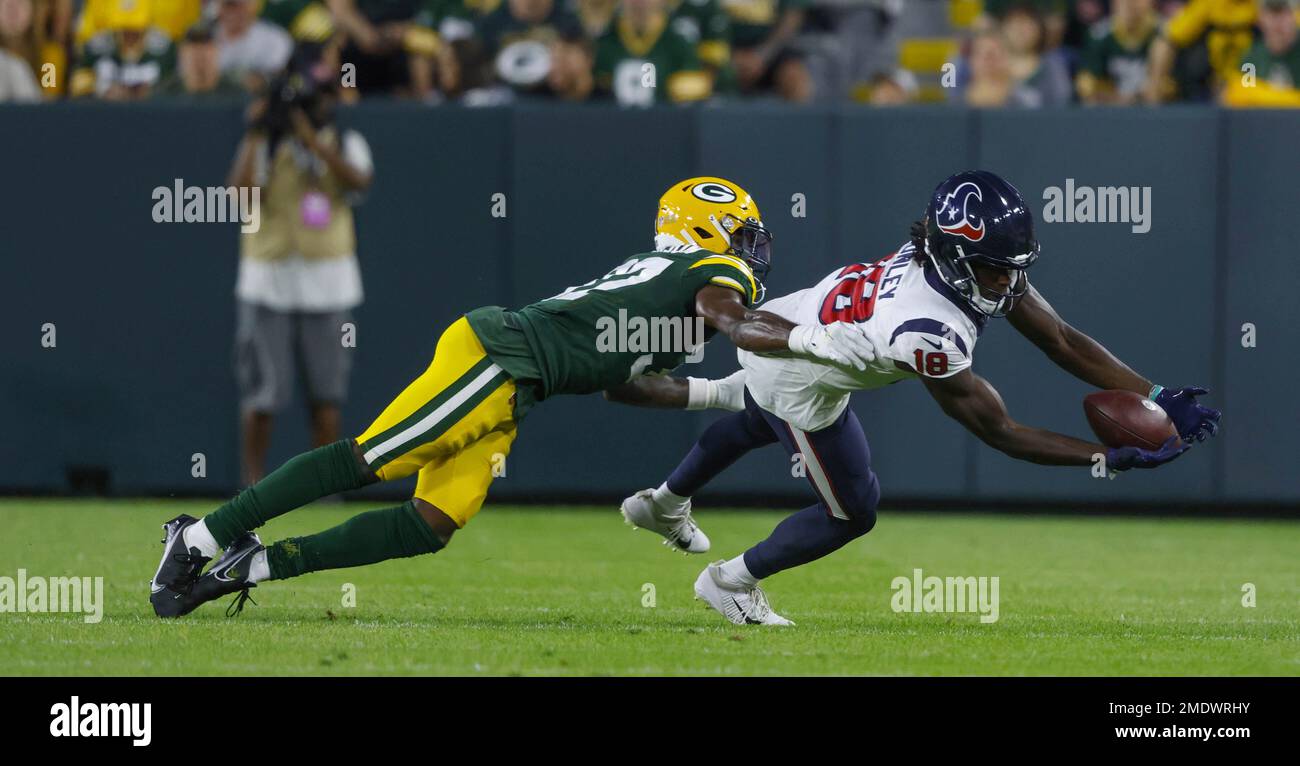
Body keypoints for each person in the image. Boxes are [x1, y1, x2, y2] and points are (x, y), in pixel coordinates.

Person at [148, 176, 878, 618]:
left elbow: (622, 384)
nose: (752, 250)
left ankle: (254, 565)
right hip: (500, 359)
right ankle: (204, 536)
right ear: (710, 230)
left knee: (432, 521)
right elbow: (735, 321)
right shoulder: (712, 274)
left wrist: (719, 396)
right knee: (371, 458)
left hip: (517, 381)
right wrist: (815, 340)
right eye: (741, 234)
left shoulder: (665, 280)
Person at [615, 171, 1221, 626]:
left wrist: (1156, 393)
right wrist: (1101, 457)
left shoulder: (959, 259)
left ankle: (666, 500)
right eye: (994, 270)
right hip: (798, 369)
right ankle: (730, 581)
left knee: (752, 417)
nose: (1006, 282)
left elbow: (1059, 338)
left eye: (1012, 268)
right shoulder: (928, 331)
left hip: (794, 317)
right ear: (957, 256)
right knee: (853, 510)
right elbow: (999, 431)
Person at [225, 41, 372, 487]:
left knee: (327, 396)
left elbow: (359, 182)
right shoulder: (264, 144)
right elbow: (238, 195)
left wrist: (315, 145)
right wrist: (257, 132)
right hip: (267, 280)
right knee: (263, 395)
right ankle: (252, 487)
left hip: (329, 283)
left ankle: (320, 487)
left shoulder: (346, 140)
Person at [1222, 0, 1300, 107]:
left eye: (1284, 13)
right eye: (1271, 14)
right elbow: (1239, 97)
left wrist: (1261, 95)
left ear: (1295, 15)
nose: (1277, 22)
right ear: (1260, 18)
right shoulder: (1251, 59)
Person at [153, 19, 246, 98]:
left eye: (205, 43)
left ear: (217, 50)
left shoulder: (235, 93)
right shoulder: (165, 94)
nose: (200, 51)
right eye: (193, 44)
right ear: (181, 52)